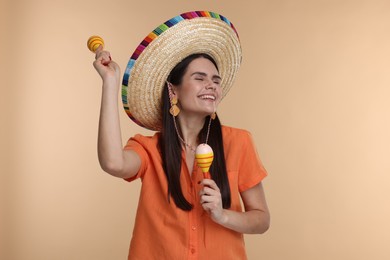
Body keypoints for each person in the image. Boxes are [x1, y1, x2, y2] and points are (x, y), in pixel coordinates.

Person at [93, 11, 270, 260]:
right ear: (173, 90)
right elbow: (113, 163)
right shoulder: (149, 149)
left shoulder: (239, 142)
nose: (211, 85)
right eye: (199, 78)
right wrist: (109, 82)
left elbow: (261, 219)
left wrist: (222, 214)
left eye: (216, 80)